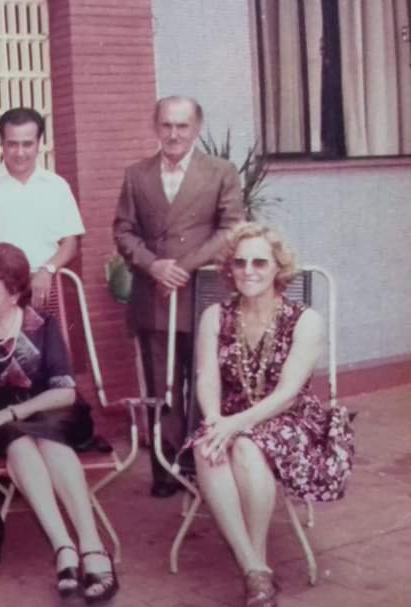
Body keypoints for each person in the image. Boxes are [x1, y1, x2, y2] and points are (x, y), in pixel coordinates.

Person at [0, 243, 119, 604]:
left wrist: (10, 414)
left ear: (16, 295)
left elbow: (65, 392)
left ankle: (92, 546)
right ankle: (63, 548)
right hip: (0, 422)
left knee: (51, 442)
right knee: (19, 444)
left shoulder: (41, 326)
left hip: (51, 412)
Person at [187, 223, 353, 607]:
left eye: (260, 262)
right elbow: (206, 377)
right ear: (229, 269)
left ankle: (255, 560)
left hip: (291, 419)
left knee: (246, 446)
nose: (249, 270)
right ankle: (254, 570)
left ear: (278, 268)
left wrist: (233, 426)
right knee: (205, 448)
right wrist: (214, 420)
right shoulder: (215, 315)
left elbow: (287, 394)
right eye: (240, 262)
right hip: (230, 413)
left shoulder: (304, 320)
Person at [112, 95, 245, 497]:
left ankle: (202, 462)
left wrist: (183, 267)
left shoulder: (221, 172)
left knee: (206, 380)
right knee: (162, 385)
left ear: (197, 128)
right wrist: (154, 265)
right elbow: (123, 231)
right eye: (166, 125)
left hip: (202, 294)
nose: (174, 134)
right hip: (155, 296)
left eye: (182, 126)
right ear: (156, 127)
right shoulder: (137, 174)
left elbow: (231, 228)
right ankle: (166, 469)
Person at [0, 107, 84, 305]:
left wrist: (47, 270)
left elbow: (71, 243)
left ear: (39, 143)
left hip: (44, 290)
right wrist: (2, 274)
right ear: (2, 144)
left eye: (27, 144)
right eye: (12, 144)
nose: (20, 153)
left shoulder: (57, 186)